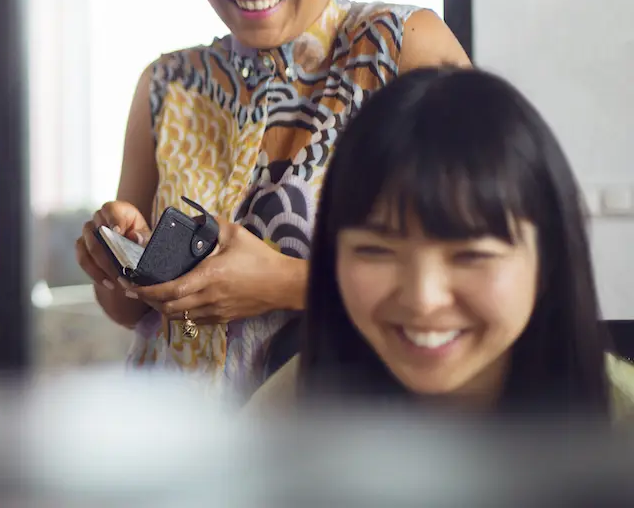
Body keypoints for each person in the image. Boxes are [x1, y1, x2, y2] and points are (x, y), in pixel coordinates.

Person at [74, 0, 470, 400]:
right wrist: (114, 261)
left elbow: (483, 263)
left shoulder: (398, 49)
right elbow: (132, 312)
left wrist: (286, 283)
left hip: (331, 432)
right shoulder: (167, 85)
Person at [248, 67, 634, 420]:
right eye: (376, 251)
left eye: (471, 255)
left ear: (548, 259)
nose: (423, 299)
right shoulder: (287, 416)